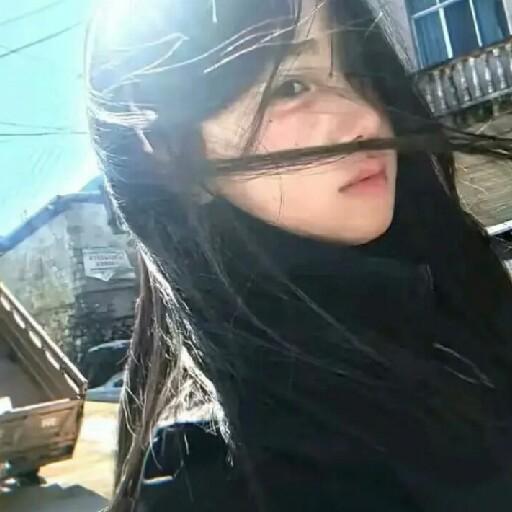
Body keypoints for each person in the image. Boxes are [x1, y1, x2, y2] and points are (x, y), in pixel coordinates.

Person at [86, 1, 512, 510]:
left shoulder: (460, 299)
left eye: (358, 72)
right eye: (290, 86)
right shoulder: (218, 475)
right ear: (172, 154)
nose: (367, 118)